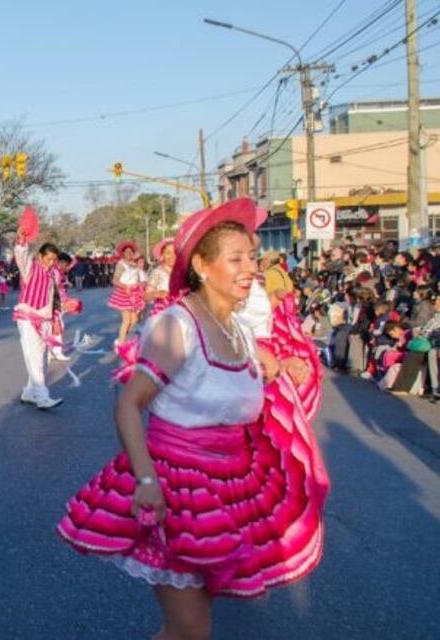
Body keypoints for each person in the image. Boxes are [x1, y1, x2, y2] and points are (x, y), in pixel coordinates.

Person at [57, 199, 328, 639]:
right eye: (235, 259)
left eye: (252, 258)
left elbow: (253, 378)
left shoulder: (237, 329)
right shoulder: (175, 325)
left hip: (231, 484)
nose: (250, 268)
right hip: (178, 487)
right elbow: (129, 404)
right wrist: (147, 481)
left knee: (186, 629)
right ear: (201, 265)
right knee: (190, 629)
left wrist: (284, 367)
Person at [12, 229, 64, 410]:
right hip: (27, 318)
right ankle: (42, 397)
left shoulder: (52, 276)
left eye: (53, 260)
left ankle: (28, 392)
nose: (50, 263)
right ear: (40, 256)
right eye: (48, 258)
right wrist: (22, 239)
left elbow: (54, 299)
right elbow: (21, 256)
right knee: (34, 358)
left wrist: (55, 319)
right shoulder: (30, 268)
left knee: (40, 358)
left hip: (44, 320)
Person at [108, 241, 144, 347]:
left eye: (131, 252)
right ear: (123, 253)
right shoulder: (121, 264)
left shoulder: (134, 264)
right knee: (127, 320)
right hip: (124, 294)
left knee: (134, 320)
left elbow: (137, 278)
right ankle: (120, 343)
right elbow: (114, 281)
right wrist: (126, 287)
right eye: (127, 252)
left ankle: (122, 338)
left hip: (135, 294)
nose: (129, 254)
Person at [146, 237, 175, 317]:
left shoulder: (181, 271)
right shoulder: (157, 273)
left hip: (180, 312)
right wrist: (157, 294)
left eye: (175, 252)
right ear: (162, 256)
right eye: (168, 253)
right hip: (163, 314)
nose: (172, 256)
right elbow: (146, 297)